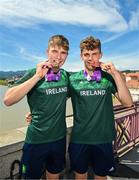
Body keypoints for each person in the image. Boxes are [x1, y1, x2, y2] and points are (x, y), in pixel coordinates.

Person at [4, 35, 70, 179]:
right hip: (36, 140)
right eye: (54, 51)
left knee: (54, 175)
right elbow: (8, 100)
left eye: (63, 52)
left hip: (59, 139)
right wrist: (37, 77)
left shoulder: (66, 76)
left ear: (67, 55)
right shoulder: (35, 72)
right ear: (47, 52)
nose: (58, 57)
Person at [68, 36, 133, 180]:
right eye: (86, 54)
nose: (90, 58)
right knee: (80, 176)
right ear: (81, 56)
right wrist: (35, 112)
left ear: (100, 55)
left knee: (101, 177)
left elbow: (128, 103)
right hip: (80, 139)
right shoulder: (72, 79)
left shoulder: (107, 78)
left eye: (94, 53)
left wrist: (115, 73)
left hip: (103, 139)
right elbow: (57, 99)